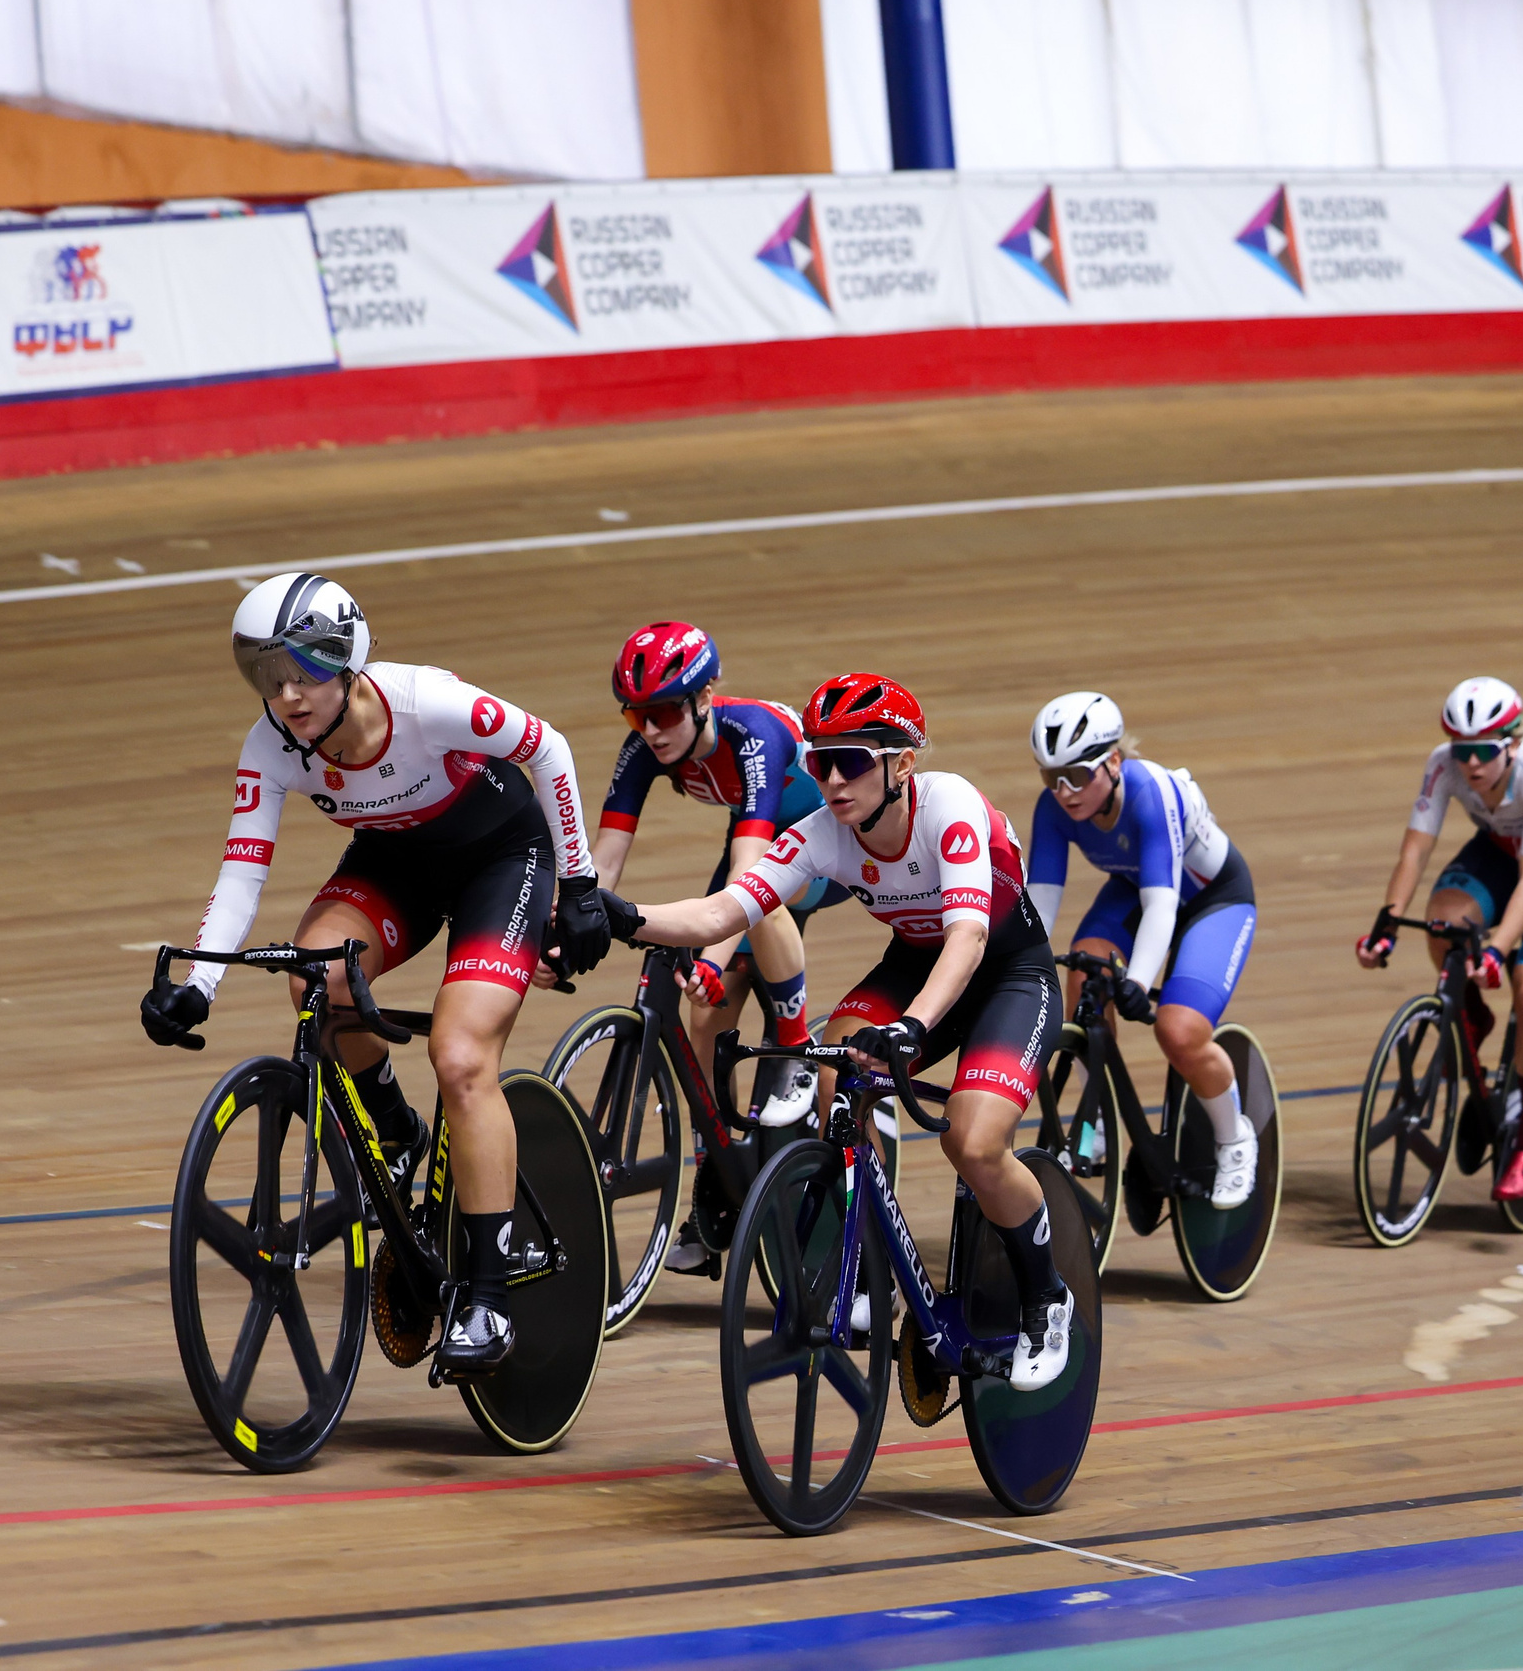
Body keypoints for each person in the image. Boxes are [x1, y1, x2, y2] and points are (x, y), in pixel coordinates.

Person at [139, 573, 612, 1375]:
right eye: (269, 677)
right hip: (397, 863)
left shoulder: (425, 702)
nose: (286, 695)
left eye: (302, 673)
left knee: (461, 1057)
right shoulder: (272, 745)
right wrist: (199, 983)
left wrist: (581, 884)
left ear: (346, 661)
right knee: (312, 980)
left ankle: (490, 1296)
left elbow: (548, 747)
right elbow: (243, 869)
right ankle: (397, 1131)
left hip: (503, 860)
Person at [597, 673, 1074, 1390]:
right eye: (819, 762)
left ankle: (1048, 1297)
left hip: (1006, 973)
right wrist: (623, 915)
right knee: (835, 1072)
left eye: (850, 760)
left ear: (900, 763)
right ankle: (872, 1271)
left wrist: (914, 1025)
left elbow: (970, 937)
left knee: (972, 1140)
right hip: (914, 964)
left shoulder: (950, 808)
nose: (831, 779)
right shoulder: (825, 832)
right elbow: (725, 913)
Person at [594, 621, 841, 1274]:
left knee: (761, 909)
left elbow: (750, 882)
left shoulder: (756, 736)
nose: (651, 729)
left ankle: (792, 1050)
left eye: (666, 710)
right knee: (703, 1013)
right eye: (636, 713)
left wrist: (708, 955)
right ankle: (717, 1184)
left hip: (826, 841)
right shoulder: (645, 747)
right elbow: (605, 861)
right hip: (757, 842)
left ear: (707, 696)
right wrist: (568, 928)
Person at [1355, 678, 1523, 1202]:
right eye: (1461, 750)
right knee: (1444, 921)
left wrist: (1496, 952)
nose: (1470, 764)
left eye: (1483, 752)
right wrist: (1386, 925)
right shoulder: (1442, 764)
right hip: (1498, 851)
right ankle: (1471, 1014)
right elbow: (1414, 853)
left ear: (1512, 744)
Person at [1023, 691, 1260, 1207]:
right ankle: (1098, 1123)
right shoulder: (1055, 809)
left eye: (1077, 776)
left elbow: (1163, 908)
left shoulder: (1152, 793)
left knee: (1179, 1031)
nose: (1064, 791)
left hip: (1212, 901)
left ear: (1113, 762)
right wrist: (1017, 969)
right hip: (1136, 890)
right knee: (1083, 979)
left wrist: (1135, 981)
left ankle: (1235, 1136)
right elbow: (1037, 903)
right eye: (1050, 776)